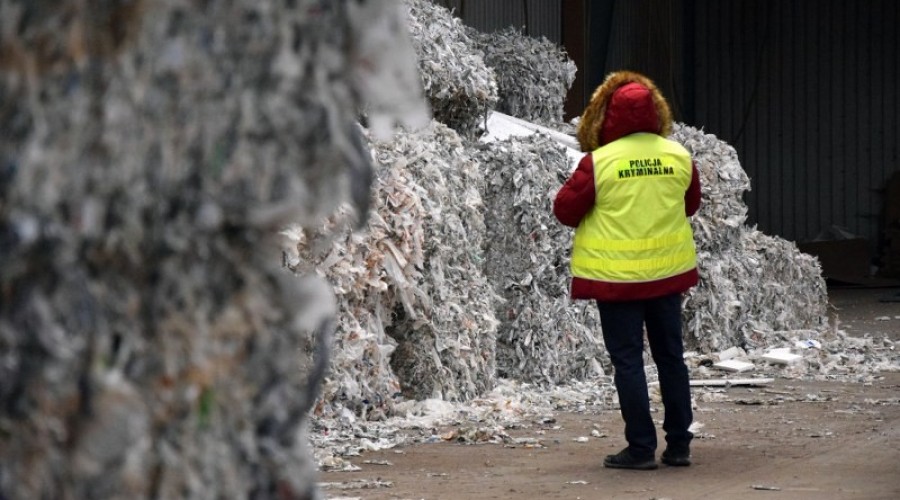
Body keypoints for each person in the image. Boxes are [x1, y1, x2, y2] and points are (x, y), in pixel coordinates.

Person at [553, 70, 702, 470]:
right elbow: (690, 206)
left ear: (608, 116)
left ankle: (640, 449)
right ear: (656, 114)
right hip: (667, 277)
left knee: (629, 362)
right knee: (672, 358)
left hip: (617, 282)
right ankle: (679, 445)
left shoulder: (599, 163)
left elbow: (565, 210)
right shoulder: (679, 156)